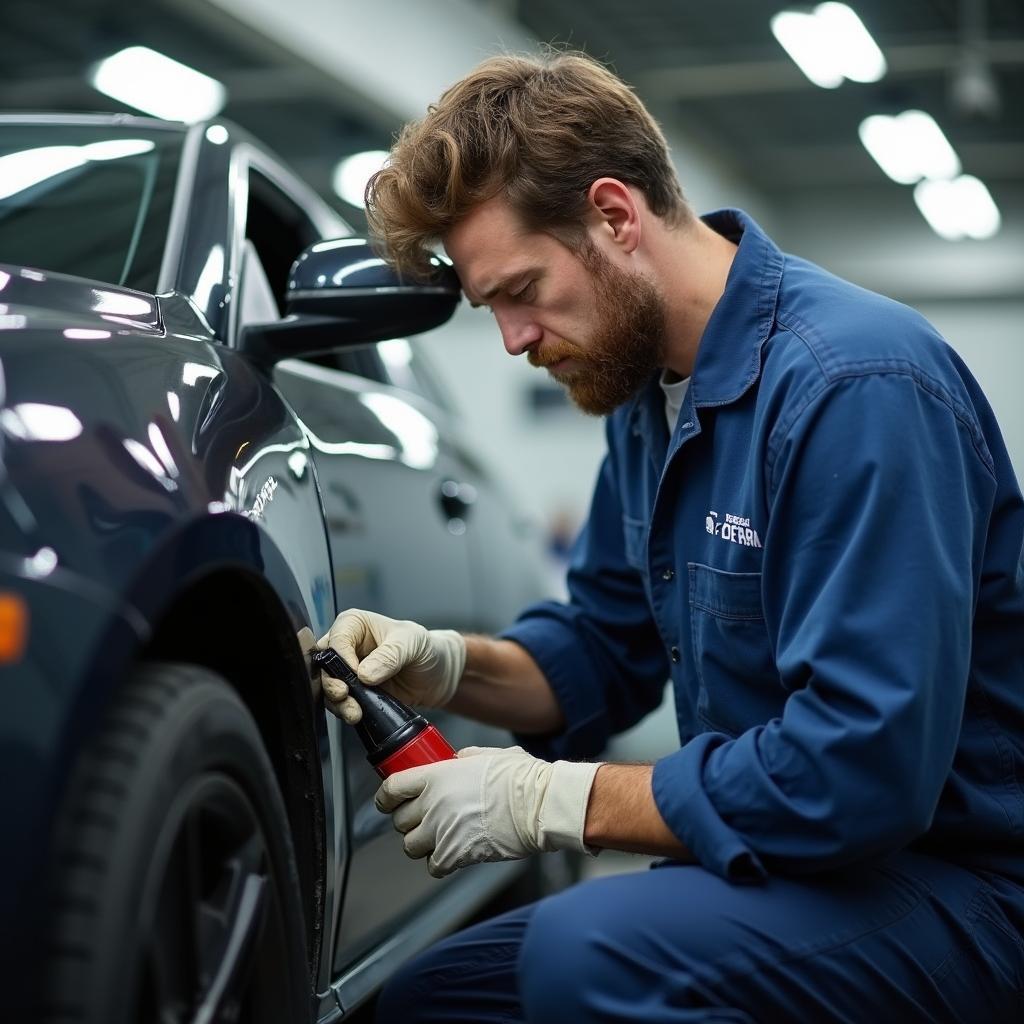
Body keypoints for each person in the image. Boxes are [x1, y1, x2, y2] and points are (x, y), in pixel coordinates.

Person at [316, 51, 1024, 1023]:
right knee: (437, 997)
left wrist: (549, 801)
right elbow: (601, 649)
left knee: (587, 955)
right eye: (493, 309)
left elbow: (861, 771)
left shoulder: (855, 387)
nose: (513, 339)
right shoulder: (647, 398)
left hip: (950, 889)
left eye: (522, 288)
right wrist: (442, 665)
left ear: (615, 215)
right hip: (797, 867)